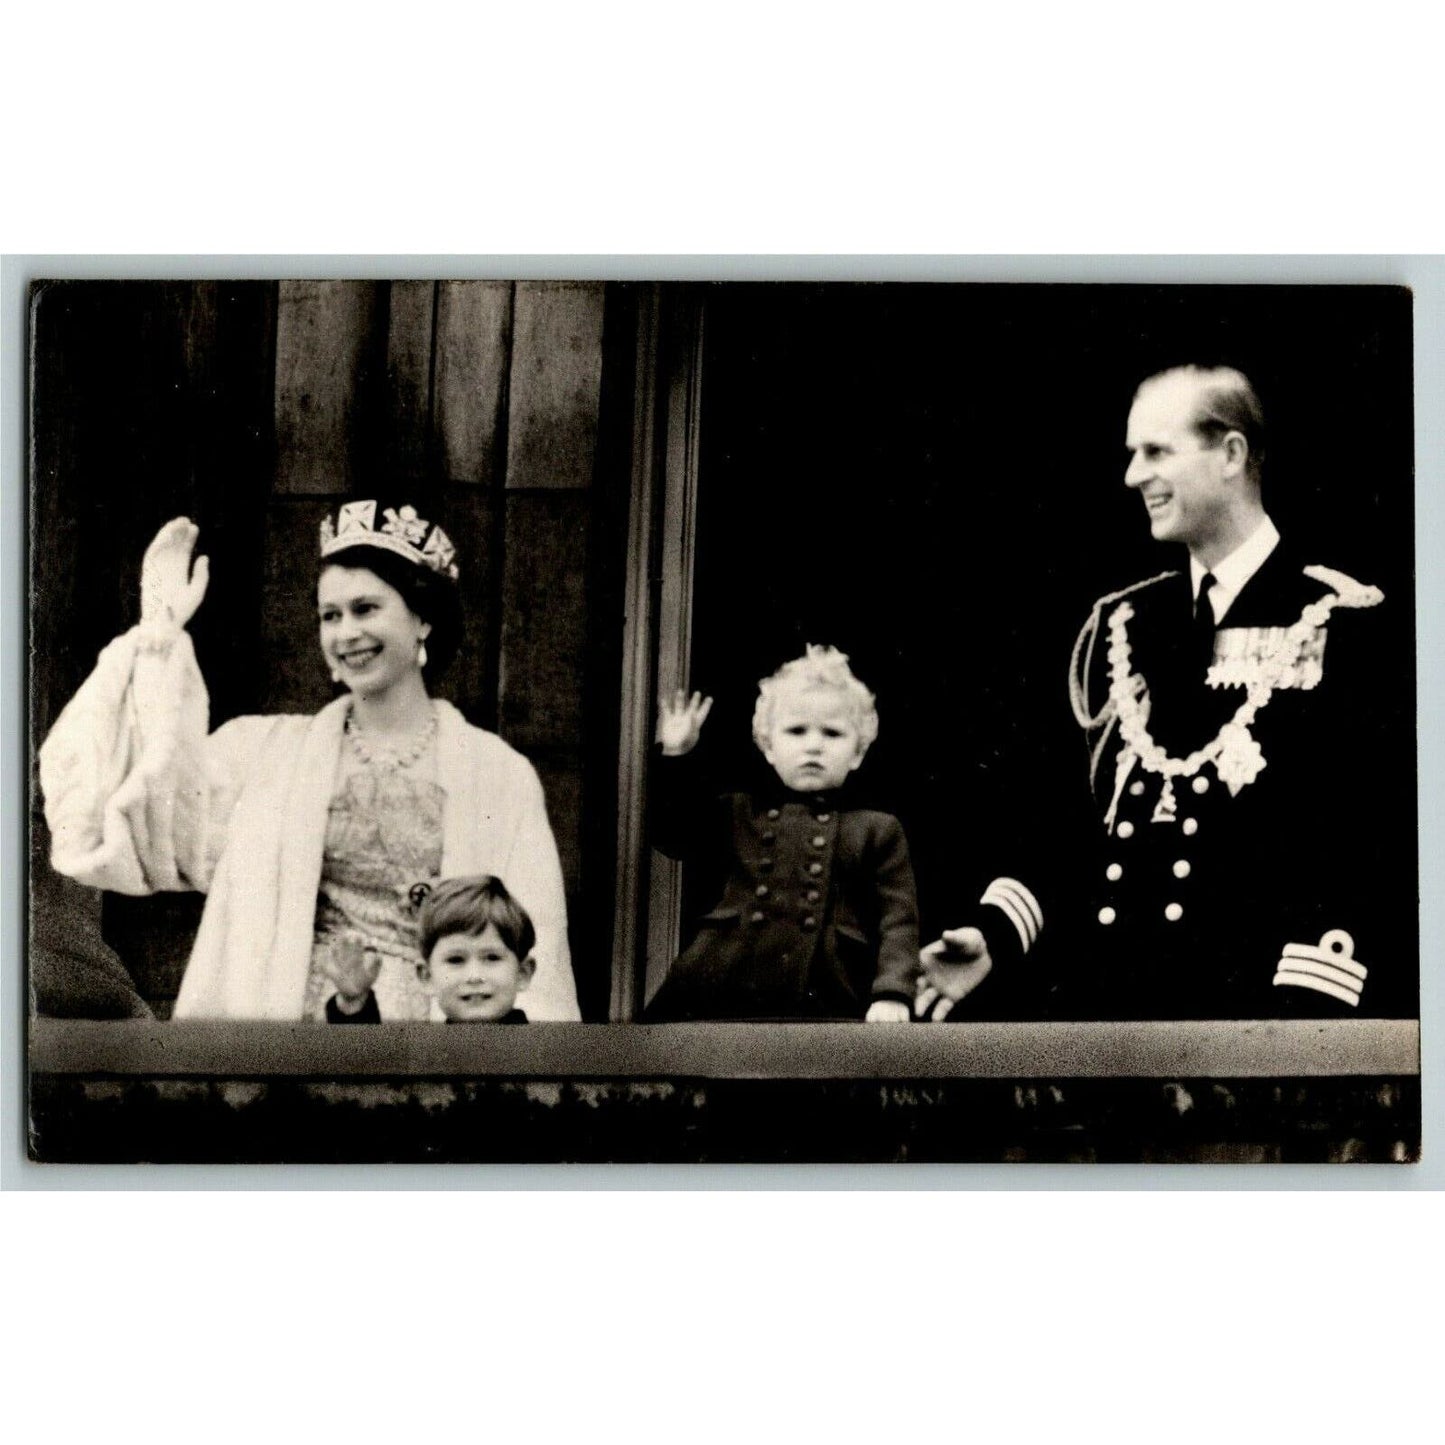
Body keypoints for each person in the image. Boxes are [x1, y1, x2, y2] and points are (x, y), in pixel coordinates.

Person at [918, 364, 1410, 1021]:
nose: (1132, 476)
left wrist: (1301, 1018)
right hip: (1108, 1014)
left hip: (1253, 1015)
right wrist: (996, 933)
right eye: (1131, 454)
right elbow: (1062, 820)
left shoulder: (1336, 618)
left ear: (1231, 454)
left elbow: (1360, 836)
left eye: (1156, 451)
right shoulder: (1120, 626)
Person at [39, 499, 580, 1021]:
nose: (347, 634)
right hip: (295, 1039)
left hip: (438, 1045)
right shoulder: (266, 753)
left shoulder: (498, 773)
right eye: (330, 615)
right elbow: (148, 809)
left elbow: (539, 951)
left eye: (366, 609)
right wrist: (157, 643)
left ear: (423, 620)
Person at [644, 645, 919, 1022]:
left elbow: (898, 922)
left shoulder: (876, 829)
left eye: (832, 733)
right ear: (768, 746)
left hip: (828, 996)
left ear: (858, 751)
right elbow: (672, 835)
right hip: (721, 989)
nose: (814, 745)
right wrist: (676, 755)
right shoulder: (738, 813)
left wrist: (893, 993)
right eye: (796, 730)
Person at [324, 875, 536, 1024]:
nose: (474, 976)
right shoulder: (424, 1057)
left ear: (522, 973)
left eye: (491, 957)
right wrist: (354, 1003)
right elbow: (366, 1070)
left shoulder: (550, 1056)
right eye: (456, 960)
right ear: (426, 976)